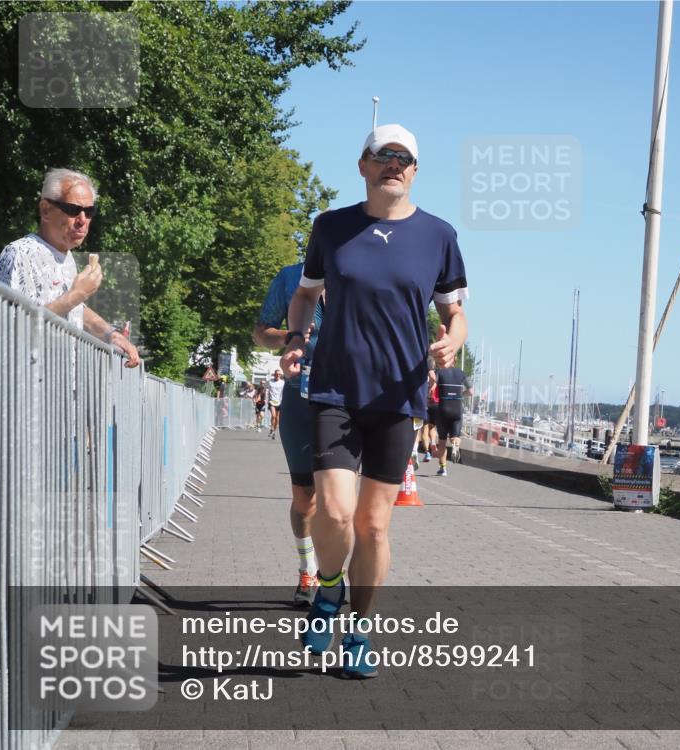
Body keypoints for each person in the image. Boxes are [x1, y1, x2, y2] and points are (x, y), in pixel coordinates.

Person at [281, 123, 468, 678]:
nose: (394, 165)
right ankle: (328, 589)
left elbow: (455, 311)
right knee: (334, 512)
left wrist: (454, 337)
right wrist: (295, 339)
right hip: (335, 389)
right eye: (383, 156)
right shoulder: (331, 228)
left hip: (399, 397)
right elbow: (305, 295)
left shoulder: (439, 236)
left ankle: (358, 629)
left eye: (404, 159)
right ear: (362, 165)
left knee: (374, 526)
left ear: (415, 172)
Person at [0, 168, 140, 367]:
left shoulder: (67, 257)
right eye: (72, 210)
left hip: (59, 392)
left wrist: (111, 335)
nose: (82, 220)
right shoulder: (19, 253)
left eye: (89, 212)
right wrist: (77, 294)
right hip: (26, 391)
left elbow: (74, 308)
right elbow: (13, 330)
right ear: (45, 210)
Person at [253, 262, 324, 606]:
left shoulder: (360, 275)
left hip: (348, 397)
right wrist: (289, 338)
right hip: (299, 393)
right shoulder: (289, 278)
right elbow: (261, 332)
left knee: (341, 497)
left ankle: (332, 575)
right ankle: (306, 567)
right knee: (305, 498)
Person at [434, 364, 473, 476]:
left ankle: (443, 469)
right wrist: (460, 394)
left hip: (443, 408)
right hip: (457, 408)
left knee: (442, 442)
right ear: (455, 361)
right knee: (455, 436)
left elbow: (432, 386)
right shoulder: (461, 373)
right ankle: (455, 446)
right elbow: (471, 391)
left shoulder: (439, 372)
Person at [421, 369, 439, 462]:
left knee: (424, 428)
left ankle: (427, 452)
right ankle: (433, 444)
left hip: (426, 403)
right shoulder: (438, 374)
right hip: (436, 404)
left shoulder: (424, 374)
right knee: (432, 427)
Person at [266, 369, 284, 439]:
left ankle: (273, 431)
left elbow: (285, 392)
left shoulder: (282, 383)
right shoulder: (270, 382)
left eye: (279, 374)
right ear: (274, 374)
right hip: (271, 401)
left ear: (280, 375)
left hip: (279, 401)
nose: (278, 375)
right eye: (276, 374)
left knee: (277, 418)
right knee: (273, 415)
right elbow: (265, 387)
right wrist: (266, 397)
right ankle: (271, 428)